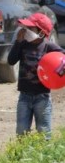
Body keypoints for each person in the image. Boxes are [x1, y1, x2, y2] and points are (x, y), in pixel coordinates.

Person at [7, 12, 64, 140]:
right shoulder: (22, 44)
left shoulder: (48, 46)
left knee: (44, 132)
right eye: (25, 28)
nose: (25, 31)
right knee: (21, 131)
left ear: (41, 32)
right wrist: (17, 42)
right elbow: (11, 61)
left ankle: (42, 157)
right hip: (24, 96)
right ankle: (22, 157)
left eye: (30, 28)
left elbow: (62, 59)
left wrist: (57, 73)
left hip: (42, 97)